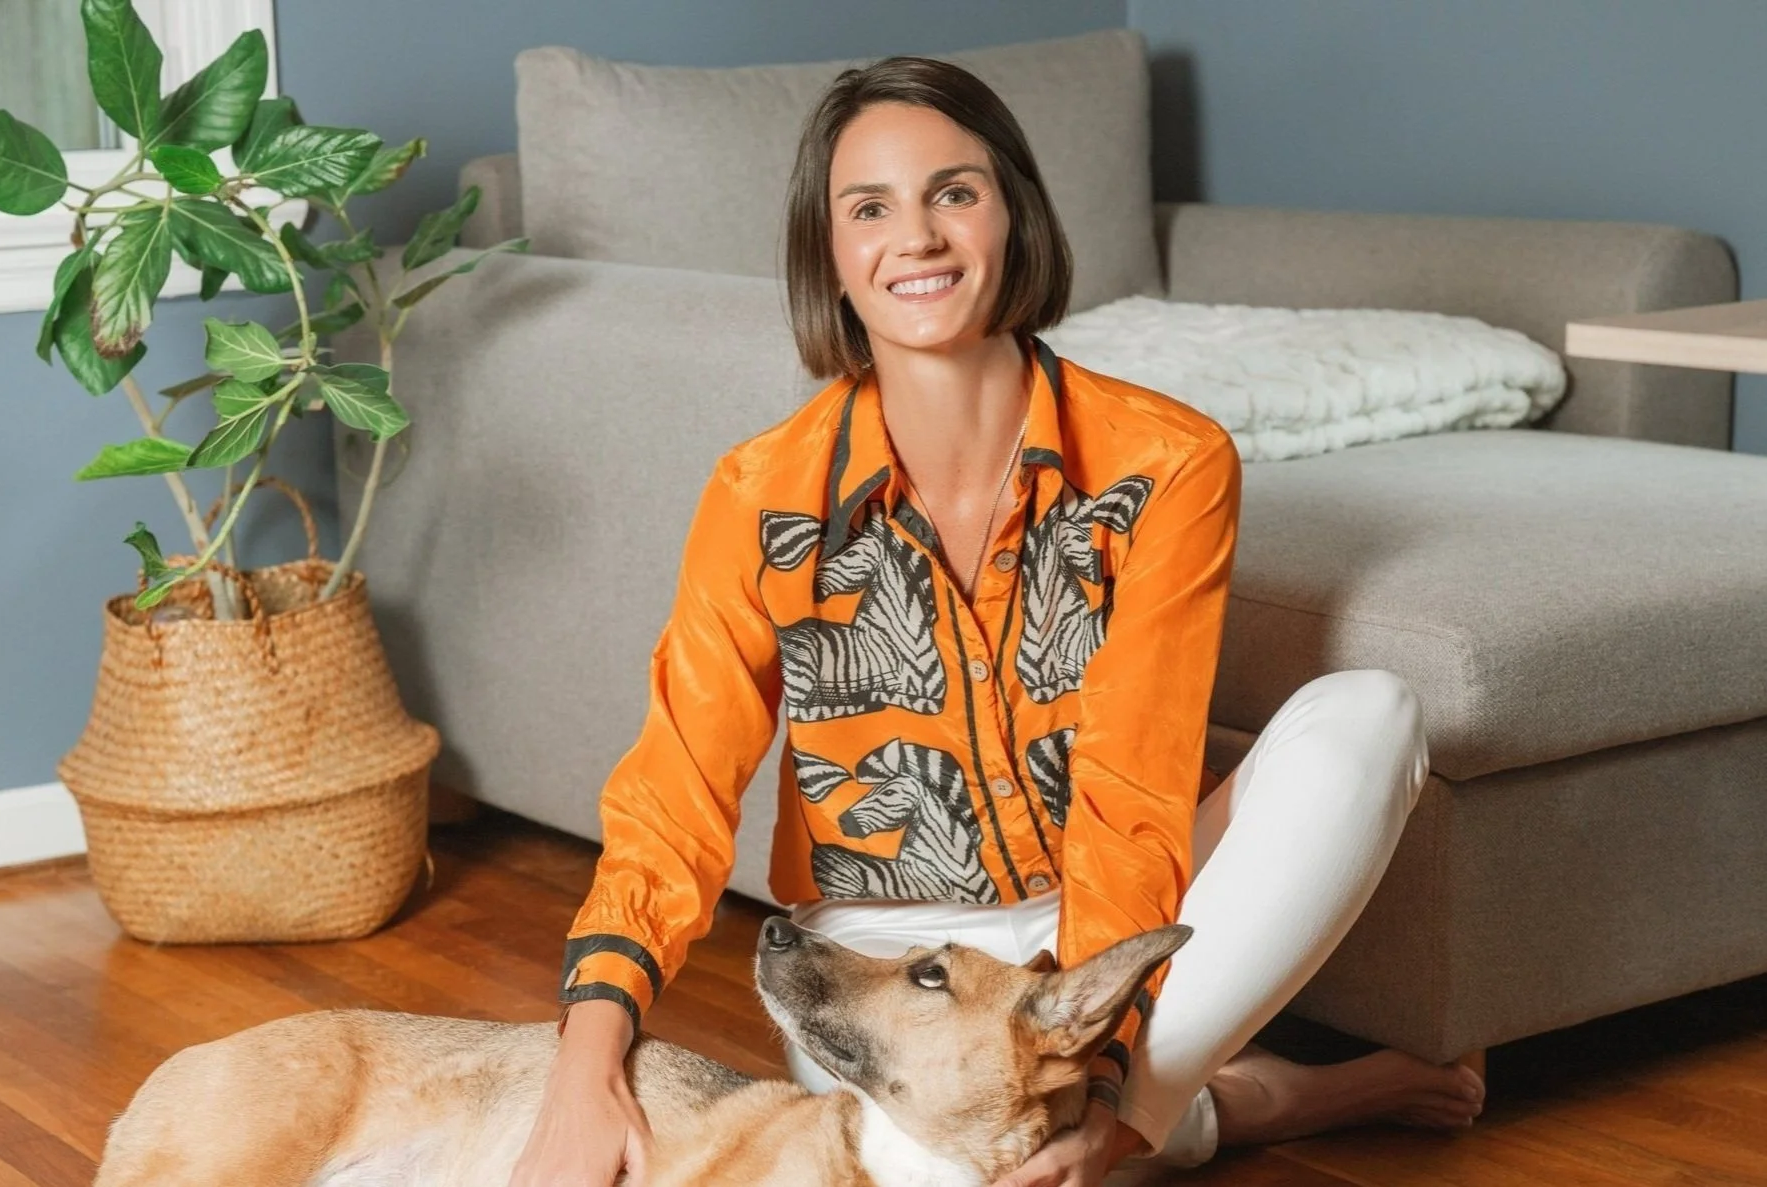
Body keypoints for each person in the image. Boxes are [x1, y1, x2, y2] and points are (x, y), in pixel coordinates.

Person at [508, 54, 1486, 1187]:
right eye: (868, 207)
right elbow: (674, 796)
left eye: (953, 192)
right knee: (948, 1153)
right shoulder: (759, 496)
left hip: (1096, 920)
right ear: (827, 253)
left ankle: (1129, 1126)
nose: (914, 236)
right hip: (888, 964)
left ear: (1012, 213)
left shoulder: (1168, 463)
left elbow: (1134, 791)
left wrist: (1110, 1088)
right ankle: (1268, 1098)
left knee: (1370, 714)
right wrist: (587, 1063)